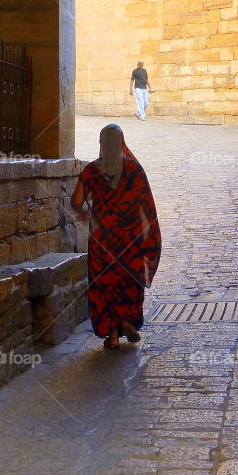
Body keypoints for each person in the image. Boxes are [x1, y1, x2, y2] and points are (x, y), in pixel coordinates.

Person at [70, 124, 162, 350]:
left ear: (101, 144)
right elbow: (147, 207)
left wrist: (84, 214)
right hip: (130, 240)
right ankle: (127, 321)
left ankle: (112, 335)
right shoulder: (135, 170)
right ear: (122, 142)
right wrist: (150, 237)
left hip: (102, 240)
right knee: (128, 282)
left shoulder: (91, 171)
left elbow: (76, 202)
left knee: (104, 284)